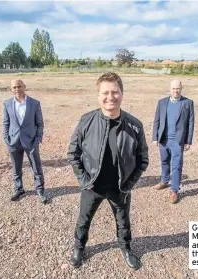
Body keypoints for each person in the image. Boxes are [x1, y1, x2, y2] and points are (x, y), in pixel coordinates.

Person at [67, 72, 149, 270]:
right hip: (92, 185)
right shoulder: (86, 121)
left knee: (123, 222)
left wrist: (128, 185)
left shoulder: (135, 126)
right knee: (83, 219)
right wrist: (85, 180)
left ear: (122, 94)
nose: (110, 97)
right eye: (105, 92)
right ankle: (79, 247)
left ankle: (126, 248)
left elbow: (143, 160)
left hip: (120, 187)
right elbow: (73, 154)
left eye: (115, 92)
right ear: (98, 95)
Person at [2, 79, 49, 204]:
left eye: (19, 86)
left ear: (24, 87)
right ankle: (19, 189)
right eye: (14, 87)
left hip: (31, 140)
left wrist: (38, 138)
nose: (17, 89)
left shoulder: (34, 103)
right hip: (14, 141)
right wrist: (6, 139)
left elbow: (40, 123)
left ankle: (40, 190)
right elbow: (6, 123)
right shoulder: (7, 104)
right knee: (16, 168)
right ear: (11, 89)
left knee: (36, 167)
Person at [152, 80, 194, 204]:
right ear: (169, 89)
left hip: (178, 141)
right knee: (164, 161)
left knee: (176, 166)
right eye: (173, 89)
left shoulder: (188, 103)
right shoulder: (162, 103)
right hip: (164, 140)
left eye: (178, 89)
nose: (175, 91)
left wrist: (188, 141)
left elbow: (190, 123)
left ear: (181, 89)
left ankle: (174, 190)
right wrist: (155, 137)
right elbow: (157, 121)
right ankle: (164, 181)